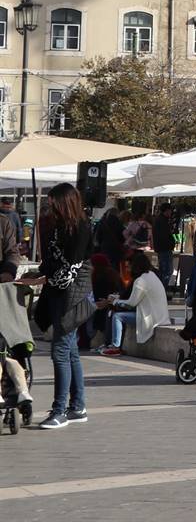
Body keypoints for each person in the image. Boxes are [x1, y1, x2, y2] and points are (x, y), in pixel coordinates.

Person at [22, 182, 93, 429]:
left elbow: (70, 269)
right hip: (59, 292)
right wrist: (37, 274)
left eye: (53, 204)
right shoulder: (58, 227)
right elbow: (51, 262)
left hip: (72, 293)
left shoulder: (80, 228)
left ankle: (60, 410)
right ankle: (78, 407)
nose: (49, 209)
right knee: (70, 351)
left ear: (64, 203)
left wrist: (42, 279)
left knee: (60, 351)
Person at [103, 251, 169, 356]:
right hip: (159, 316)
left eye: (129, 267)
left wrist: (115, 301)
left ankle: (115, 347)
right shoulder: (151, 275)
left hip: (150, 319)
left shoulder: (141, 281)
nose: (127, 270)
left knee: (117, 316)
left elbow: (131, 303)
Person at [0, 260, 34, 426]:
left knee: (6, 361)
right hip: (13, 348)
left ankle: (19, 392)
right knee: (12, 362)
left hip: (8, 346)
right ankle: (23, 392)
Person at [94, 200, 127, 270]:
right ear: (117, 214)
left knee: (105, 265)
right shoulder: (119, 223)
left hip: (104, 247)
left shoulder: (102, 222)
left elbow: (98, 236)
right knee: (115, 267)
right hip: (116, 249)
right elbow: (123, 237)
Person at [154, 203, 179, 292]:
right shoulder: (162, 221)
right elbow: (164, 236)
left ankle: (162, 289)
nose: (171, 212)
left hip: (163, 248)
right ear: (167, 210)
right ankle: (162, 289)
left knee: (165, 271)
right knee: (167, 271)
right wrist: (171, 243)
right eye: (170, 210)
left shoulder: (161, 220)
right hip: (164, 249)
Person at [0, 197, 24, 261]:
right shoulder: (15, 215)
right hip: (12, 242)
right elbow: (19, 229)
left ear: (1, 203)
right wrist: (19, 241)